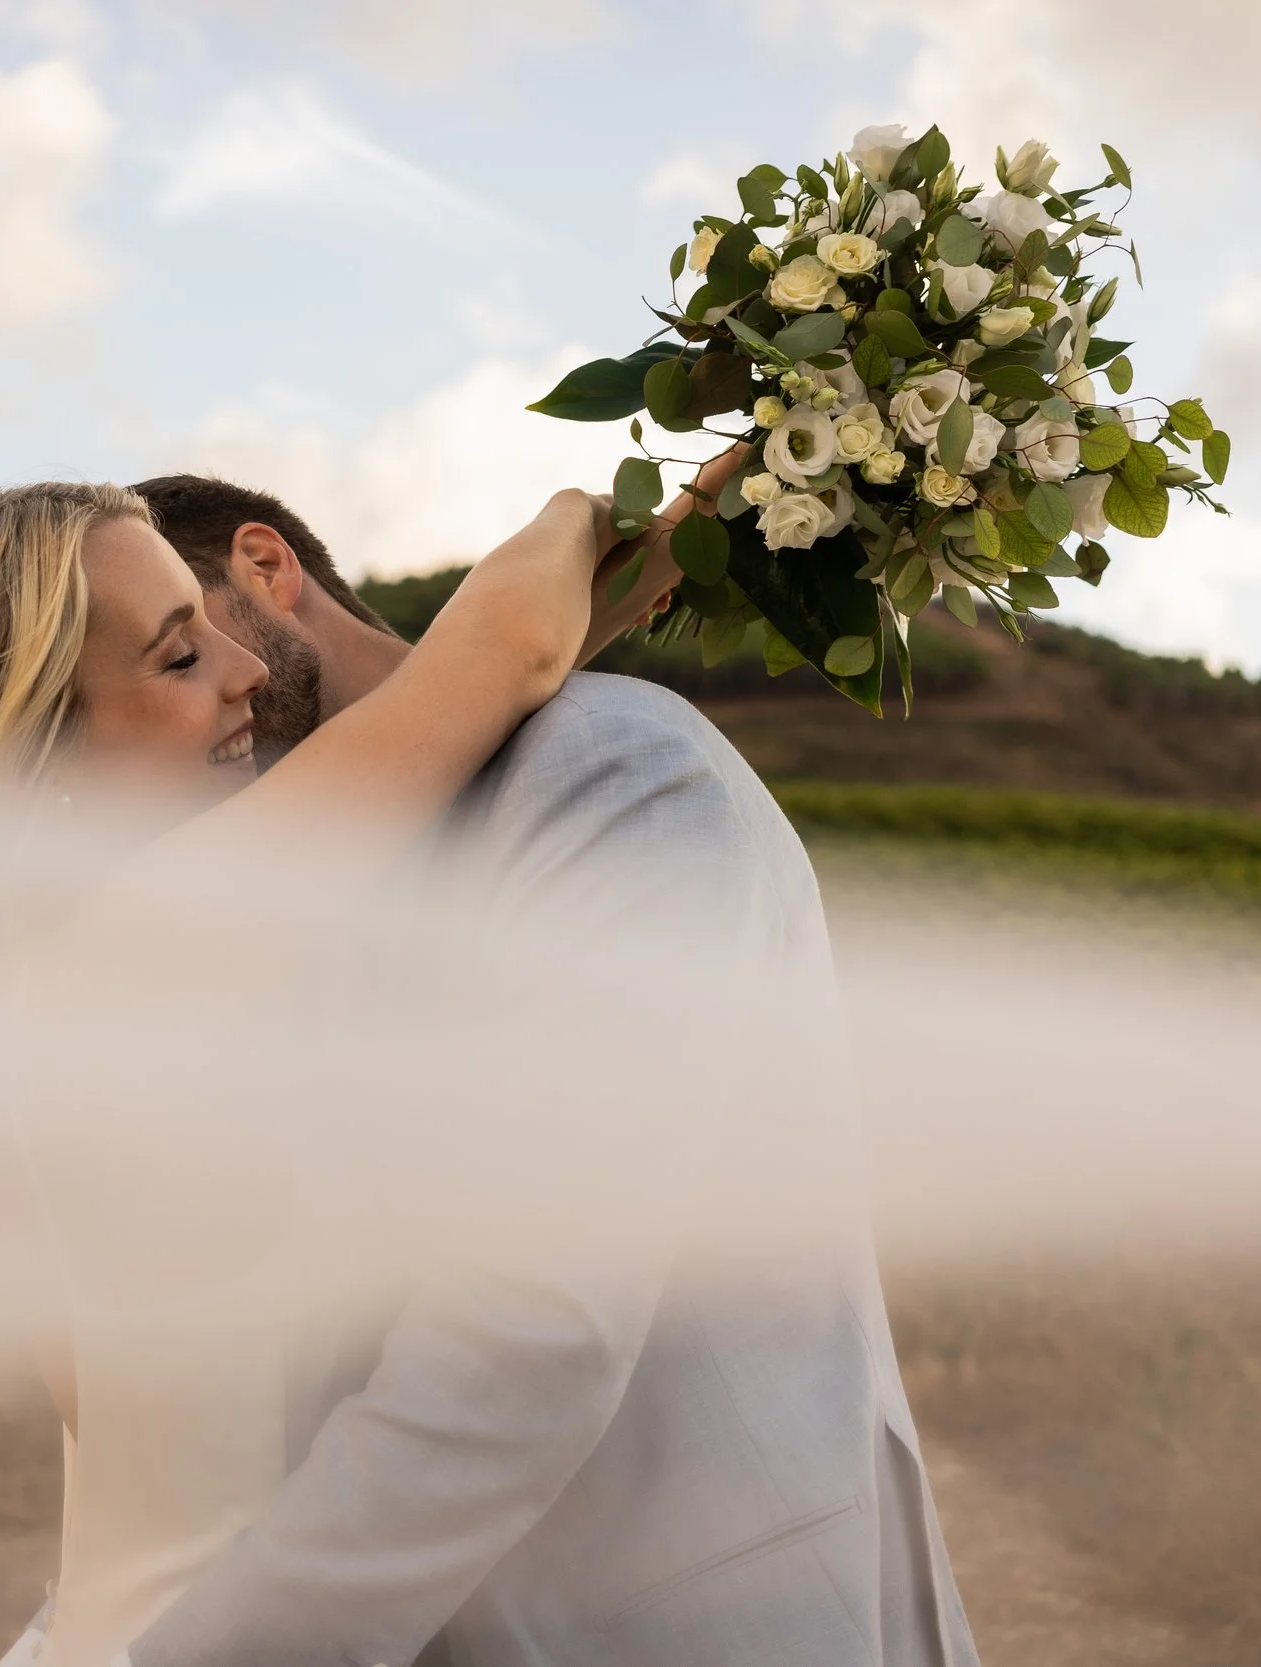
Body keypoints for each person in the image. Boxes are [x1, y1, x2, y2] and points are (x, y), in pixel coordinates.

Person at [106, 472, 978, 1667]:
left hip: (702, 1614)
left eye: (191, 636)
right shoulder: (242, 908)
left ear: (266, 567)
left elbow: (536, 1325)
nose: (232, 680)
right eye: (165, 663)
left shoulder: (612, 763)